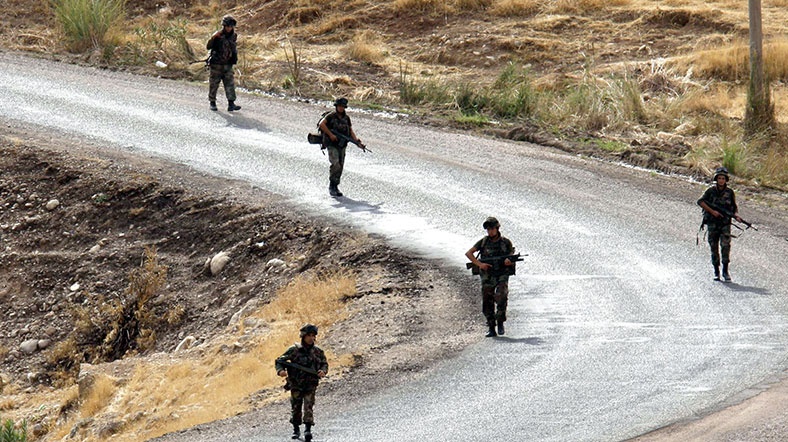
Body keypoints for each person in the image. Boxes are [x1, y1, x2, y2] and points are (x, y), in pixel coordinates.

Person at [275, 324, 328, 441]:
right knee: (296, 407)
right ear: (303, 336)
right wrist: (281, 371)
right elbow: (279, 361)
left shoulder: (318, 351)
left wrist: (322, 371)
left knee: (308, 406)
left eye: (313, 336)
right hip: (296, 384)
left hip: (310, 384)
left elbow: (324, 364)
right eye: (309, 335)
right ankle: (296, 429)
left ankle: (308, 429)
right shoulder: (294, 350)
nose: (311, 338)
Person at [465, 217, 516, 337]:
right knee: (487, 300)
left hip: (502, 273)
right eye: (488, 229)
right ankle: (491, 327)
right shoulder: (483, 242)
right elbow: (469, 253)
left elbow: (511, 256)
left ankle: (500, 321)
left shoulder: (505, 242)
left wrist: (509, 261)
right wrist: (480, 264)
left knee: (502, 295)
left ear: (497, 228)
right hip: (487, 275)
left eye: (492, 229)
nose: (490, 231)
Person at [697, 166, 742, 282]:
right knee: (714, 247)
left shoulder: (730, 192)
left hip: (725, 223)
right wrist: (713, 212)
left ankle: (725, 271)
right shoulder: (710, 191)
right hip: (712, 223)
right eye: (719, 178)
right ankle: (716, 271)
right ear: (716, 179)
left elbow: (734, 207)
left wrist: (736, 215)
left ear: (726, 180)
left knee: (725, 246)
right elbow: (700, 201)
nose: (721, 180)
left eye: (723, 178)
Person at [318, 97, 363, 197]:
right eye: (339, 106)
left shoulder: (346, 118)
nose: (341, 108)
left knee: (340, 166)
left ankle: (335, 186)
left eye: (343, 106)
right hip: (332, 144)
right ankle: (332, 186)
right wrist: (331, 135)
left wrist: (356, 141)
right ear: (336, 106)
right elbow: (322, 124)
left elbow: (350, 130)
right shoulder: (331, 116)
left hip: (342, 145)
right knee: (335, 164)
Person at [206, 15, 241, 112]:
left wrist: (234, 58)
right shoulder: (217, 35)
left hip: (228, 64)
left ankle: (231, 103)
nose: (229, 28)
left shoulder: (233, 36)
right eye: (228, 26)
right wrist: (213, 39)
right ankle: (212, 102)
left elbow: (233, 48)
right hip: (216, 64)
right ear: (224, 26)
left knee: (230, 84)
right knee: (214, 84)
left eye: (231, 26)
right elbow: (208, 46)